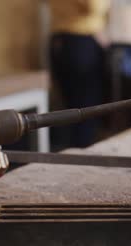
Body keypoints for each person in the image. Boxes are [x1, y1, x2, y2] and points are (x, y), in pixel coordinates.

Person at [48, 0, 110, 148]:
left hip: (58, 40)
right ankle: (82, 154)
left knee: (69, 106)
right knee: (85, 108)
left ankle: (71, 151)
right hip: (80, 41)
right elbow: (94, 6)